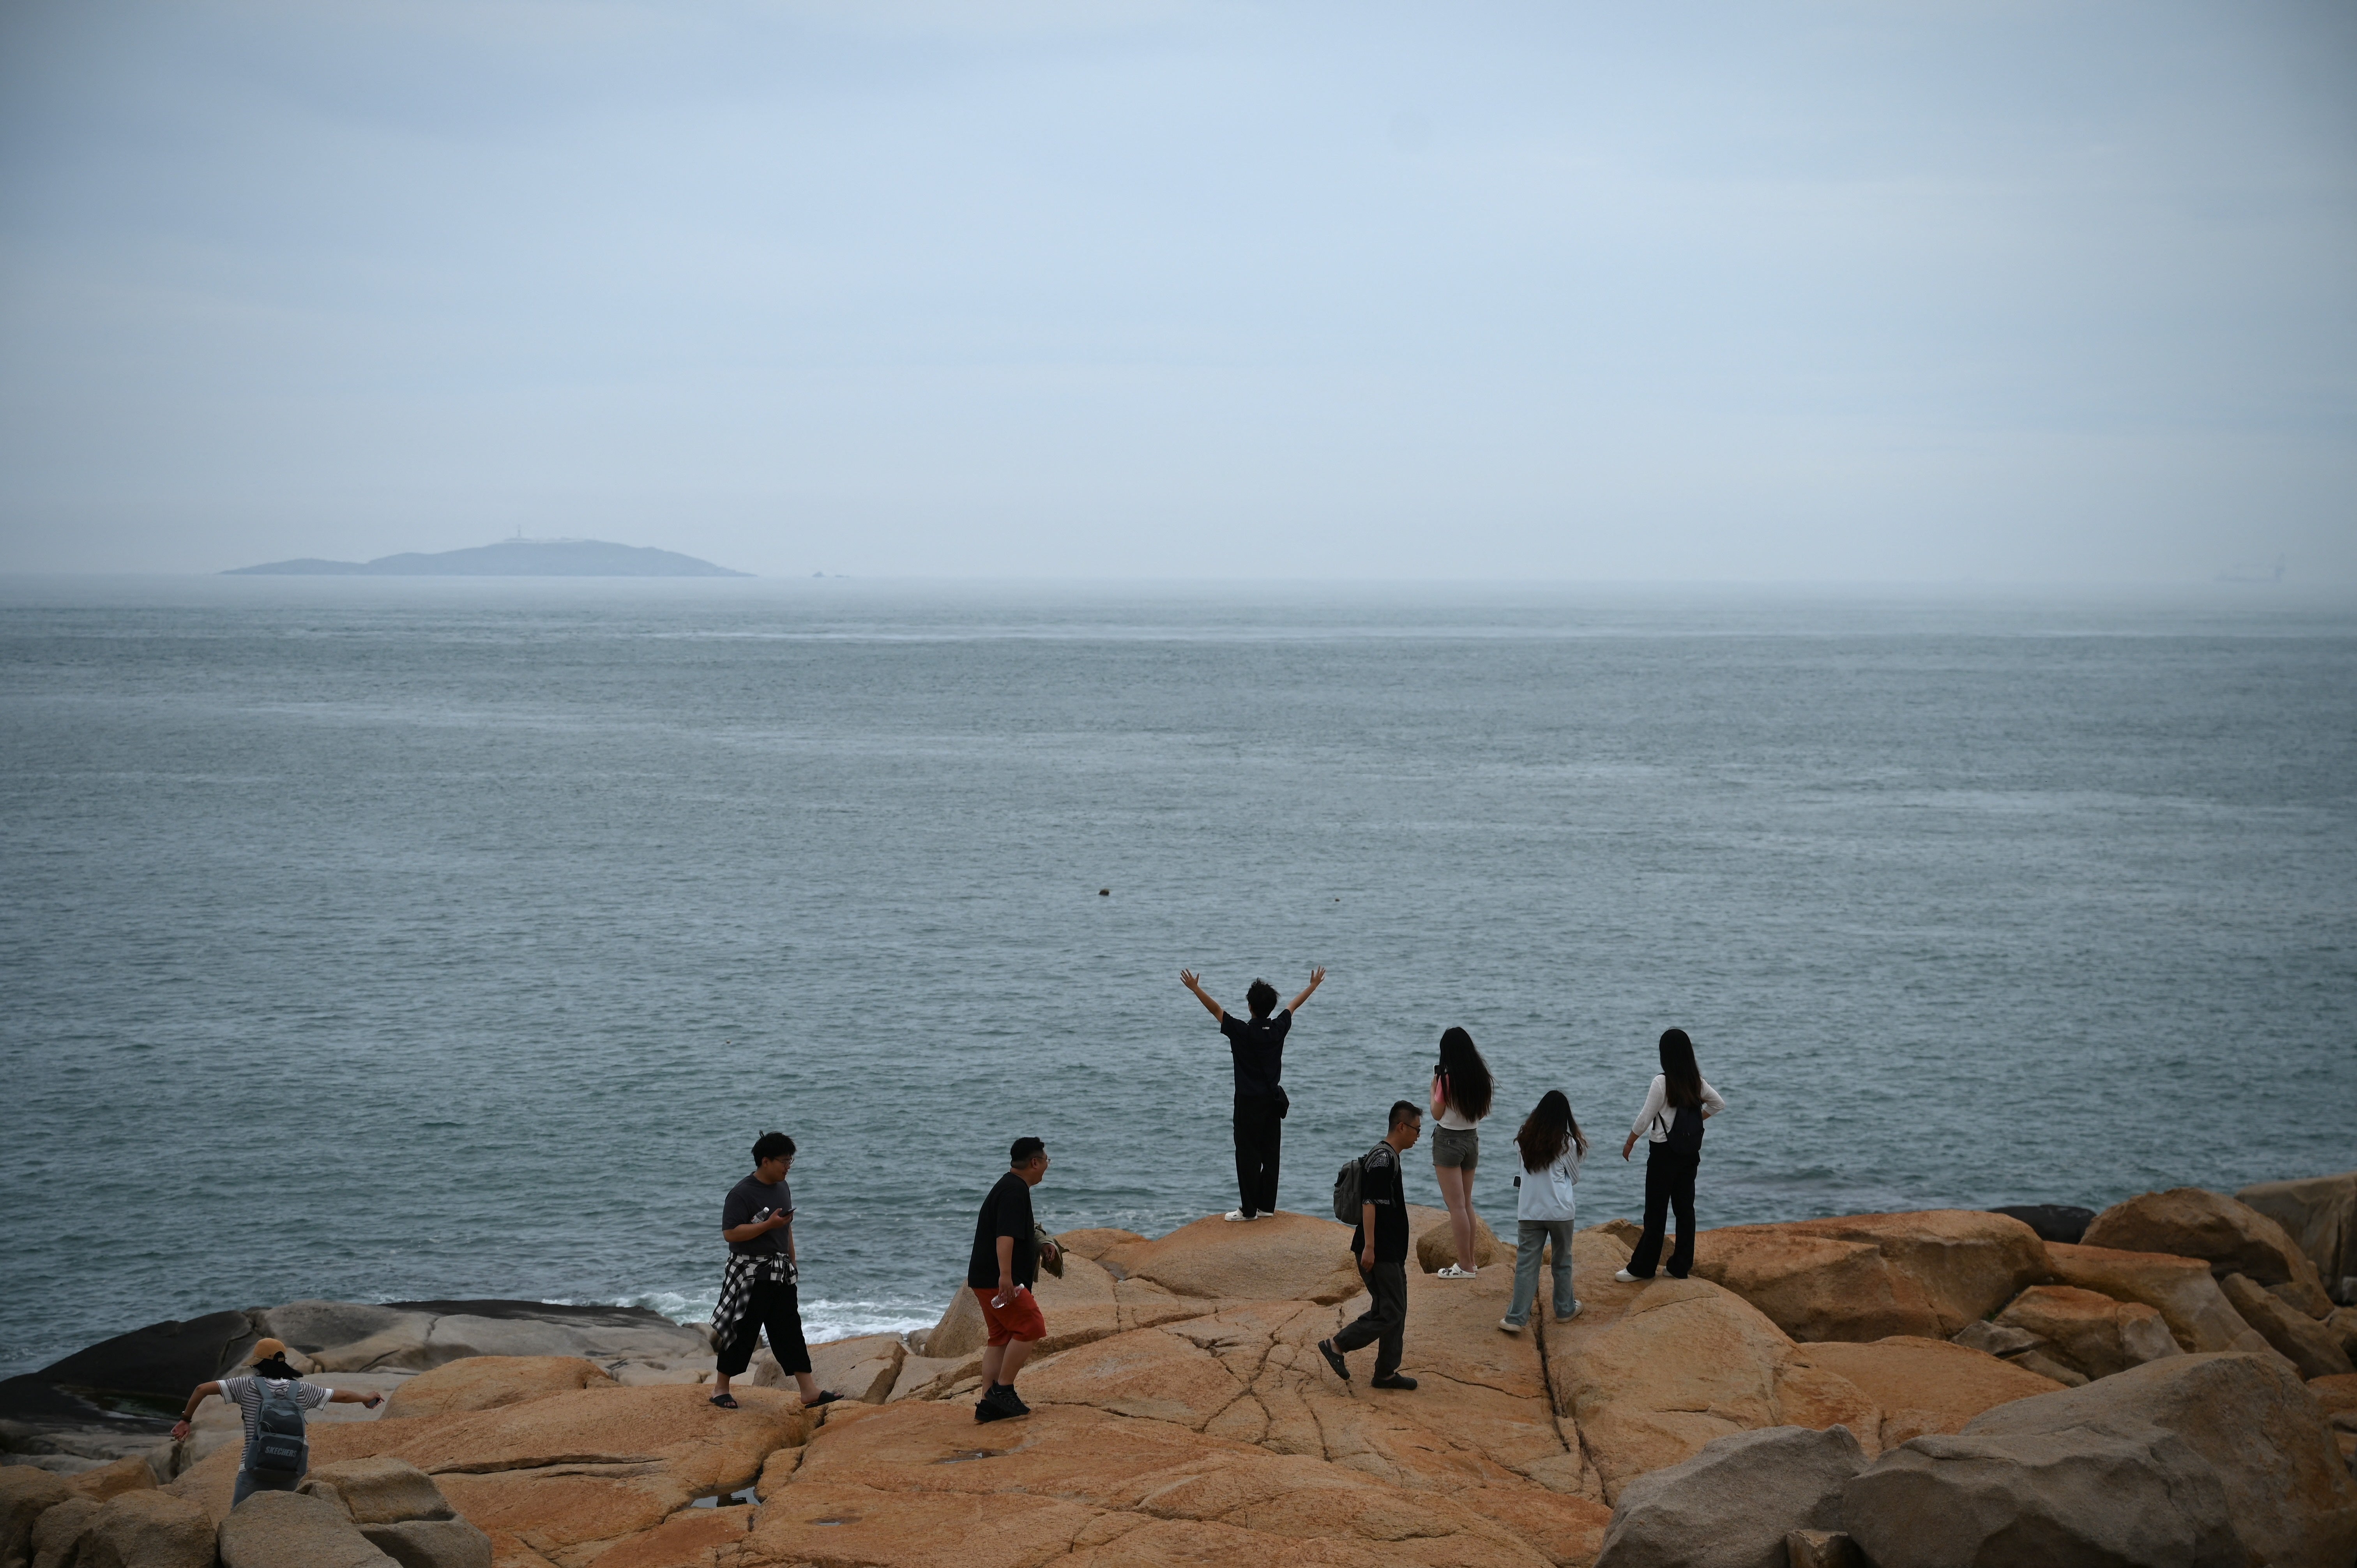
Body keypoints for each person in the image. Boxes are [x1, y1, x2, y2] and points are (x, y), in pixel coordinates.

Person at [1180, 965, 1327, 1221]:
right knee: (1271, 1152)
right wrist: (1313, 986)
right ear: (1270, 1008)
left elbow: (1216, 1010)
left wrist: (1196, 989)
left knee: (1247, 1154)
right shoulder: (1279, 1028)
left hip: (1248, 1103)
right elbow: (1293, 1006)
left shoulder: (1242, 1031)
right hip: (1272, 1101)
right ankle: (1267, 1207)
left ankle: (1249, 1210)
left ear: (1250, 1007)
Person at [711, 1131, 842, 1411]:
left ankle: (809, 1391)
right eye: (784, 1161)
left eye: (790, 1160)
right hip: (750, 1273)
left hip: (780, 1271)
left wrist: (793, 1262)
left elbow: (787, 1227)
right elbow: (730, 1233)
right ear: (765, 1161)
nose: (788, 1166)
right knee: (741, 1331)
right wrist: (767, 1226)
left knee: (790, 1331)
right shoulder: (741, 1193)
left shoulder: (783, 1187)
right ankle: (721, 1389)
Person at [170, 1338, 383, 1506]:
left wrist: (185, 1420)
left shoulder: (246, 1385)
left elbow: (201, 1389)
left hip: (253, 1468)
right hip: (291, 1469)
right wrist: (366, 1398)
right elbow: (342, 1396)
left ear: (258, 1362)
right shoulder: (301, 1389)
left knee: (239, 1524)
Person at [1318, 1100, 1421, 1390]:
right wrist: (1371, 1248)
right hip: (1381, 1252)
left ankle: (1386, 1373)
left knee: (1395, 1309)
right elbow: (1369, 1203)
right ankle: (1337, 1345)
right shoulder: (1383, 1160)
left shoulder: (1387, 1156)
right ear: (1401, 1126)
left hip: (1390, 1252)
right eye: (1416, 1129)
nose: (1418, 1136)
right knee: (1390, 1312)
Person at [1615, 1028, 1728, 1282]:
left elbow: (1645, 1118)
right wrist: (1693, 1123)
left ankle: (1642, 1269)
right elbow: (1718, 1104)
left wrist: (1630, 1142)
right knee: (1685, 1210)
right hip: (1689, 1153)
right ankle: (1680, 1267)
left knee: (1655, 1212)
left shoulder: (1662, 1082)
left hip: (1663, 1154)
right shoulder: (1695, 1081)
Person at [968, 1136, 1059, 1423]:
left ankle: (988, 1404)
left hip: (983, 1277)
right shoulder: (1013, 1191)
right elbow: (1004, 1237)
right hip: (1000, 1280)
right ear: (1035, 1162)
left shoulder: (1010, 1186)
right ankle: (1003, 1389)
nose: (1047, 1166)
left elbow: (1017, 1230)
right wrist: (1005, 1278)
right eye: (1047, 1161)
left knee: (1001, 1337)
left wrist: (1041, 1244)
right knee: (1032, 1326)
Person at [1498, 1089, 1586, 1333]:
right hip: (1559, 1211)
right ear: (1564, 1116)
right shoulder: (1567, 1143)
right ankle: (1565, 1310)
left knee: (1527, 1264)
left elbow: (1522, 1172)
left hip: (1529, 1210)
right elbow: (1575, 1178)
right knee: (1562, 1261)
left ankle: (1516, 1318)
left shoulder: (1525, 1139)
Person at [1428, 1026, 1494, 1278]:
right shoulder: (1480, 1077)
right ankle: (1471, 1261)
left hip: (1448, 1141)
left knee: (1455, 1207)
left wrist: (1433, 1088)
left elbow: (1437, 1113)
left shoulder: (1446, 1080)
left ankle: (1466, 1267)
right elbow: (1482, 1112)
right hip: (1471, 1140)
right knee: (1467, 1203)